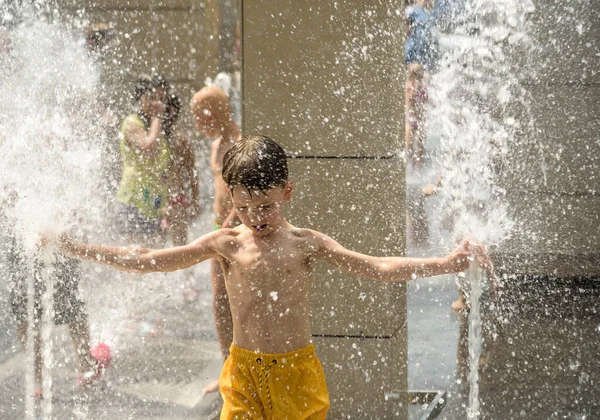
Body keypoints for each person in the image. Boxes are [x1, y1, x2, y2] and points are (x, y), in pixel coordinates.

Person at [45, 135, 486, 418]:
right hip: (242, 372)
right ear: (232, 200)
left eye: (267, 206)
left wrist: (448, 263)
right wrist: (74, 247)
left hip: (295, 374)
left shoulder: (305, 243)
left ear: (287, 192)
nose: (256, 218)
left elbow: (377, 266)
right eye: (245, 208)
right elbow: (148, 257)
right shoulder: (227, 244)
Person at [1, 192, 110, 398]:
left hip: (21, 229)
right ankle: (86, 368)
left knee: (27, 304)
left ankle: (39, 382)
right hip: (55, 227)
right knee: (69, 299)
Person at [190, 85, 240, 392]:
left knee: (236, 301)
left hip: (234, 231)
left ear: (218, 112)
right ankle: (227, 369)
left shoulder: (238, 142)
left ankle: (238, 372)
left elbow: (244, 189)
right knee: (220, 301)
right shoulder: (216, 144)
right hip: (220, 229)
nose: (197, 124)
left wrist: (230, 223)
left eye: (200, 116)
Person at [115, 74, 172, 245]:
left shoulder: (157, 125)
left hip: (154, 202)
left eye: (162, 98)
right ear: (141, 98)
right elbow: (148, 146)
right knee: (135, 257)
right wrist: (158, 117)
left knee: (154, 255)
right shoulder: (132, 122)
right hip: (134, 199)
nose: (158, 103)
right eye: (153, 98)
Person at [162, 93, 200, 246]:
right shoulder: (154, 136)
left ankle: (183, 271)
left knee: (179, 247)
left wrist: (195, 200)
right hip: (157, 199)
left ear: (172, 111)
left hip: (175, 198)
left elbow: (192, 171)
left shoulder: (181, 139)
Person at [405, 62, 428, 168]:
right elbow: (409, 100)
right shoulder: (408, 87)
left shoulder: (423, 87)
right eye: (414, 74)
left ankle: (419, 164)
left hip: (421, 120)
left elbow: (426, 100)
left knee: (420, 145)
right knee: (408, 144)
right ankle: (410, 163)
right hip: (410, 120)